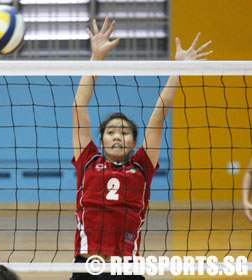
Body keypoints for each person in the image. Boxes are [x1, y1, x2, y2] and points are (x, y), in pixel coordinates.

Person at [71, 17, 212, 279]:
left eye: (124, 133)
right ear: (101, 140)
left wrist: (177, 70)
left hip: (127, 269)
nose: (116, 137)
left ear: (134, 143)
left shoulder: (142, 166)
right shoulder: (87, 159)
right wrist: (96, 57)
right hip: (87, 268)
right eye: (110, 132)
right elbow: (79, 108)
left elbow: (158, 117)